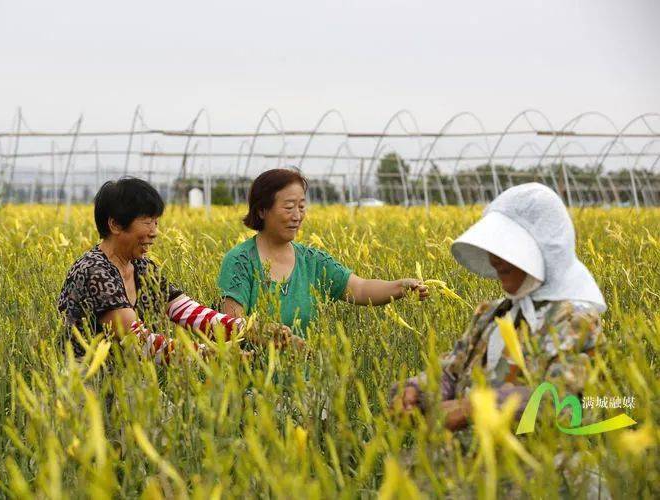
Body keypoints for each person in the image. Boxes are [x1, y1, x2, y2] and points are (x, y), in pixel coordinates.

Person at [390, 182, 606, 431]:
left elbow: (565, 401)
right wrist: (415, 391)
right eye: (495, 246)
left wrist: (475, 406)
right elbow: (452, 372)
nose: (494, 258)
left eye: (510, 248)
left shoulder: (575, 320)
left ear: (543, 251)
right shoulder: (491, 314)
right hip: (469, 463)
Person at [58, 178, 261, 363]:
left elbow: (186, 311)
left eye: (156, 222)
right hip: (87, 382)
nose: (155, 232)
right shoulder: (94, 271)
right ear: (115, 225)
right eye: (147, 222)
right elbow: (137, 340)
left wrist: (248, 330)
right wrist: (209, 355)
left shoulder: (142, 267)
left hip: (132, 378)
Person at [217, 168, 430, 336]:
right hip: (253, 384)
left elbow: (361, 289)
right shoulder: (240, 261)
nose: (297, 216)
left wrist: (401, 287)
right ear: (262, 210)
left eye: (301, 206)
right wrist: (270, 335)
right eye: (289, 207)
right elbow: (232, 323)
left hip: (307, 385)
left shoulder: (312, 261)